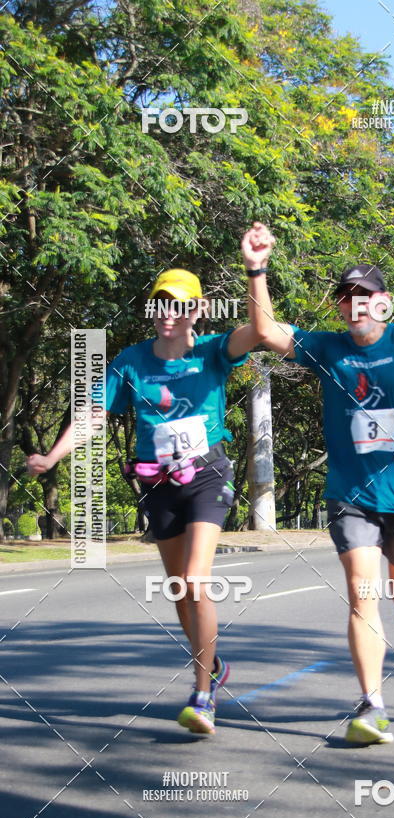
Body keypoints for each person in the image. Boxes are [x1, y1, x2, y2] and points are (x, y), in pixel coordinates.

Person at [241, 222, 394, 745]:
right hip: (350, 494)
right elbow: (265, 332)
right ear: (340, 308)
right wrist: (256, 268)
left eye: (365, 297)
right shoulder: (328, 349)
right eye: (346, 299)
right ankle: (370, 703)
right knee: (362, 596)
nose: (355, 306)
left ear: (384, 302)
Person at [27, 267, 269, 736]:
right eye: (162, 304)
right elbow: (93, 416)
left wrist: (254, 268)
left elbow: (260, 330)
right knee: (179, 588)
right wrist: (53, 455)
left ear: (196, 310)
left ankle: (202, 696)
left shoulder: (213, 350)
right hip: (157, 483)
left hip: (206, 475)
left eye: (180, 305)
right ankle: (212, 661)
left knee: (196, 581)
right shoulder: (132, 361)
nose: (169, 314)